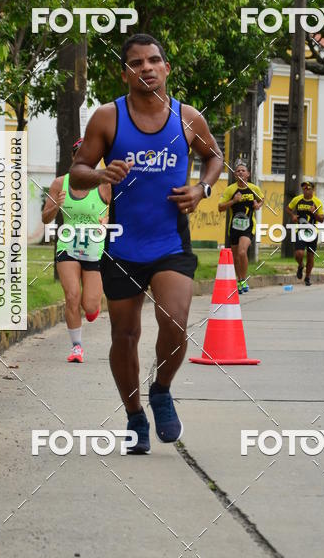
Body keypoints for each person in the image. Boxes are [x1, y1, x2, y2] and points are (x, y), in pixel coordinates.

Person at [70, 33, 223, 454]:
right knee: (125, 334)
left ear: (167, 68)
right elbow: (77, 170)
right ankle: (135, 416)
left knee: (175, 320)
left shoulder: (188, 118)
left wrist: (202, 191)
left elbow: (215, 158)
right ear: (126, 73)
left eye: (154, 60)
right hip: (122, 246)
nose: (147, 67)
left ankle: (161, 390)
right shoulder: (107, 118)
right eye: (137, 63)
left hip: (170, 241)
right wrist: (102, 175)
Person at [42, 139, 111, 363]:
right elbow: (45, 218)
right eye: (78, 153)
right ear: (73, 158)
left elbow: (116, 212)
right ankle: (77, 347)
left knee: (90, 305)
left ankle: (91, 309)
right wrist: (56, 205)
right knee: (72, 296)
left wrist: (106, 220)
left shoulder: (104, 184)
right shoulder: (60, 183)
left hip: (94, 249)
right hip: (67, 247)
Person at [218, 160, 264, 293]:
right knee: (236, 257)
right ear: (234, 174)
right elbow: (220, 207)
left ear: (248, 174)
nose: (240, 172)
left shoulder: (254, 188)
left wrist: (257, 206)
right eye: (238, 171)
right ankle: (240, 280)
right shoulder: (230, 190)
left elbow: (261, 200)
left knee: (242, 252)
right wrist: (233, 201)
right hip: (234, 227)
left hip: (249, 226)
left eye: (243, 170)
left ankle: (243, 280)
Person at [287, 180, 324, 287]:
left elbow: (322, 219)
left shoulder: (317, 202)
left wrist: (315, 213)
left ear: (313, 189)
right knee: (299, 253)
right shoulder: (297, 199)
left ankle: (307, 277)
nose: (306, 190)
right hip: (300, 231)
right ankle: (300, 265)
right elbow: (288, 208)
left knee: (310, 256)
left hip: (313, 232)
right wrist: (293, 216)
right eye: (304, 188)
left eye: (308, 188)